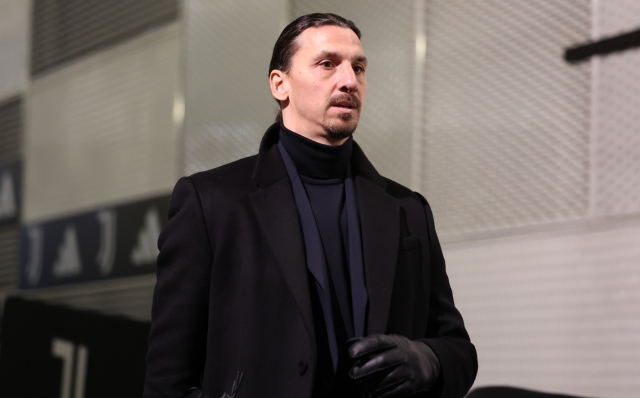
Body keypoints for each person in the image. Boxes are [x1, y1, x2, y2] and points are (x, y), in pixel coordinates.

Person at [144, 13, 477, 398]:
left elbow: (459, 351)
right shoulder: (211, 203)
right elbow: (168, 379)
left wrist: (429, 360)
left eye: (359, 67)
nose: (349, 80)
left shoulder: (408, 210)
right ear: (279, 84)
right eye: (327, 64)